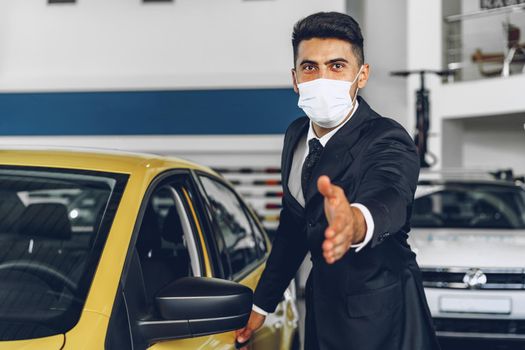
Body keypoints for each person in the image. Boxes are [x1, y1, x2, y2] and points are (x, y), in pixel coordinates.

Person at [235, 11, 440, 350]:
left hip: (381, 320)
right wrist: (262, 305)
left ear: (362, 76)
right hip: (322, 311)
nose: (322, 77)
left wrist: (355, 222)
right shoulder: (296, 135)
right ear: (295, 78)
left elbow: (390, 195)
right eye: (310, 67)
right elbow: (293, 227)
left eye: (337, 66)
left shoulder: (387, 137)